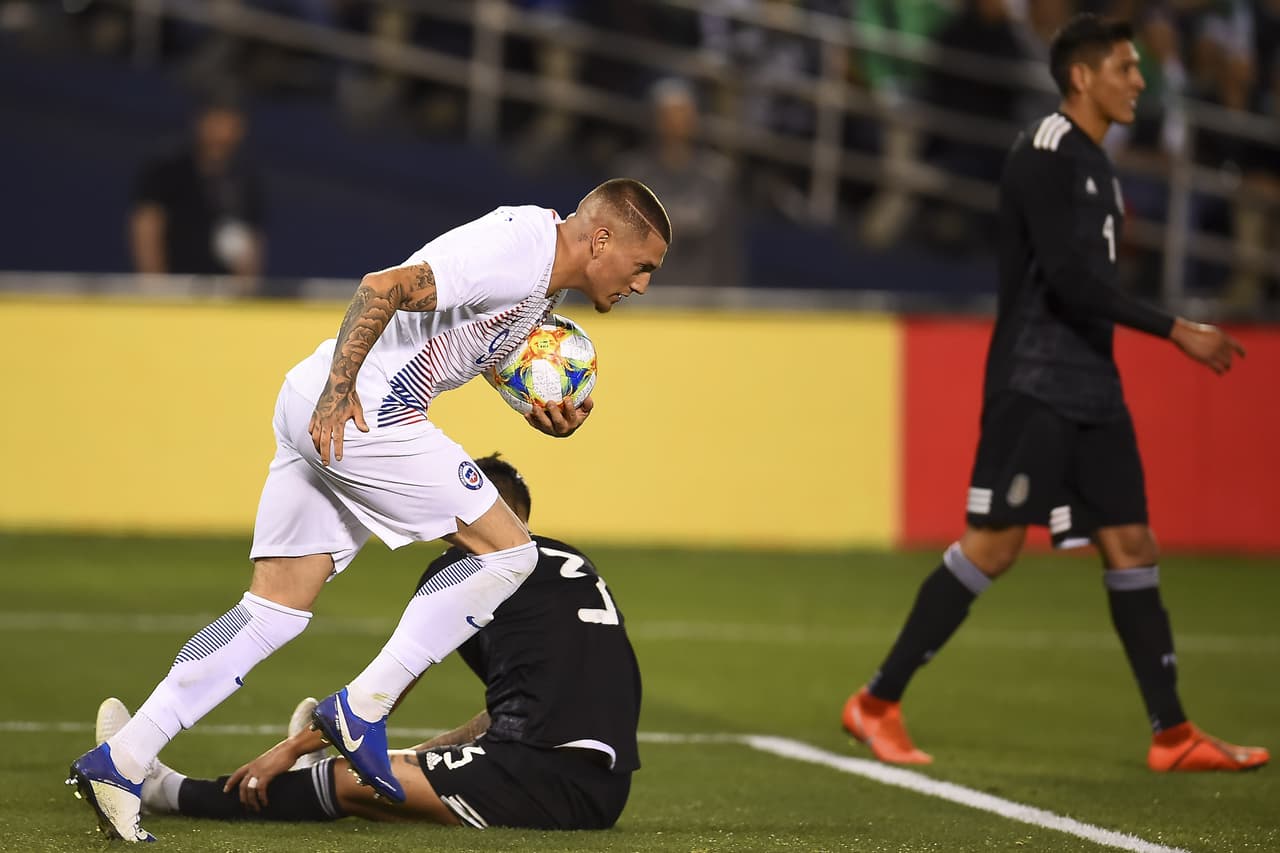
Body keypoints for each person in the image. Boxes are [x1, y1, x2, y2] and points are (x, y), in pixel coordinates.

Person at [68, 178, 670, 842]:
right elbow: (382, 286)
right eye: (643, 266)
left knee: (273, 609)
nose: (643, 284)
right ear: (603, 238)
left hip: (319, 401)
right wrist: (339, 390)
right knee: (511, 550)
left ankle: (119, 761)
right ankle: (362, 708)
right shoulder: (519, 249)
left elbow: (476, 346)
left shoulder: (538, 277)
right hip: (362, 409)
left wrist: (537, 410)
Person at [841, 14, 1268, 774]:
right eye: (1127, 68)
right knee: (995, 546)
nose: (1142, 81)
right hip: (1035, 381)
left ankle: (1172, 733)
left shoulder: (1101, 164)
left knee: (1133, 543)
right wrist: (1177, 329)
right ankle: (875, 702)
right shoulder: (1045, 152)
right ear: (1082, 76)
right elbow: (1069, 281)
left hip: (1092, 386)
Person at [90, 454, 642, 832]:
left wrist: (294, 749)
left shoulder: (468, 566)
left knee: (351, 780)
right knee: (398, 772)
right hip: (601, 787)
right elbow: (536, 703)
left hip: (539, 779)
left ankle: (169, 791)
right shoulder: (570, 562)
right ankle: (345, 765)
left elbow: (385, 690)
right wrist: (431, 752)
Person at [611, 78, 744, 289]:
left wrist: (728, 297)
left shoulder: (716, 175)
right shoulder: (631, 174)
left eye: (682, 115)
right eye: (667, 116)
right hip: (646, 299)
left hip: (702, 298)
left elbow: (726, 247)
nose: (675, 123)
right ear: (654, 119)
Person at [130, 93, 267, 283]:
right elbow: (147, 225)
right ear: (201, 121)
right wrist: (155, 285)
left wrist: (246, 287)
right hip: (175, 289)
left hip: (223, 294)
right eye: (217, 120)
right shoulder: (169, 167)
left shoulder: (245, 178)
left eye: (231, 122)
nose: (224, 130)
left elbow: (250, 239)